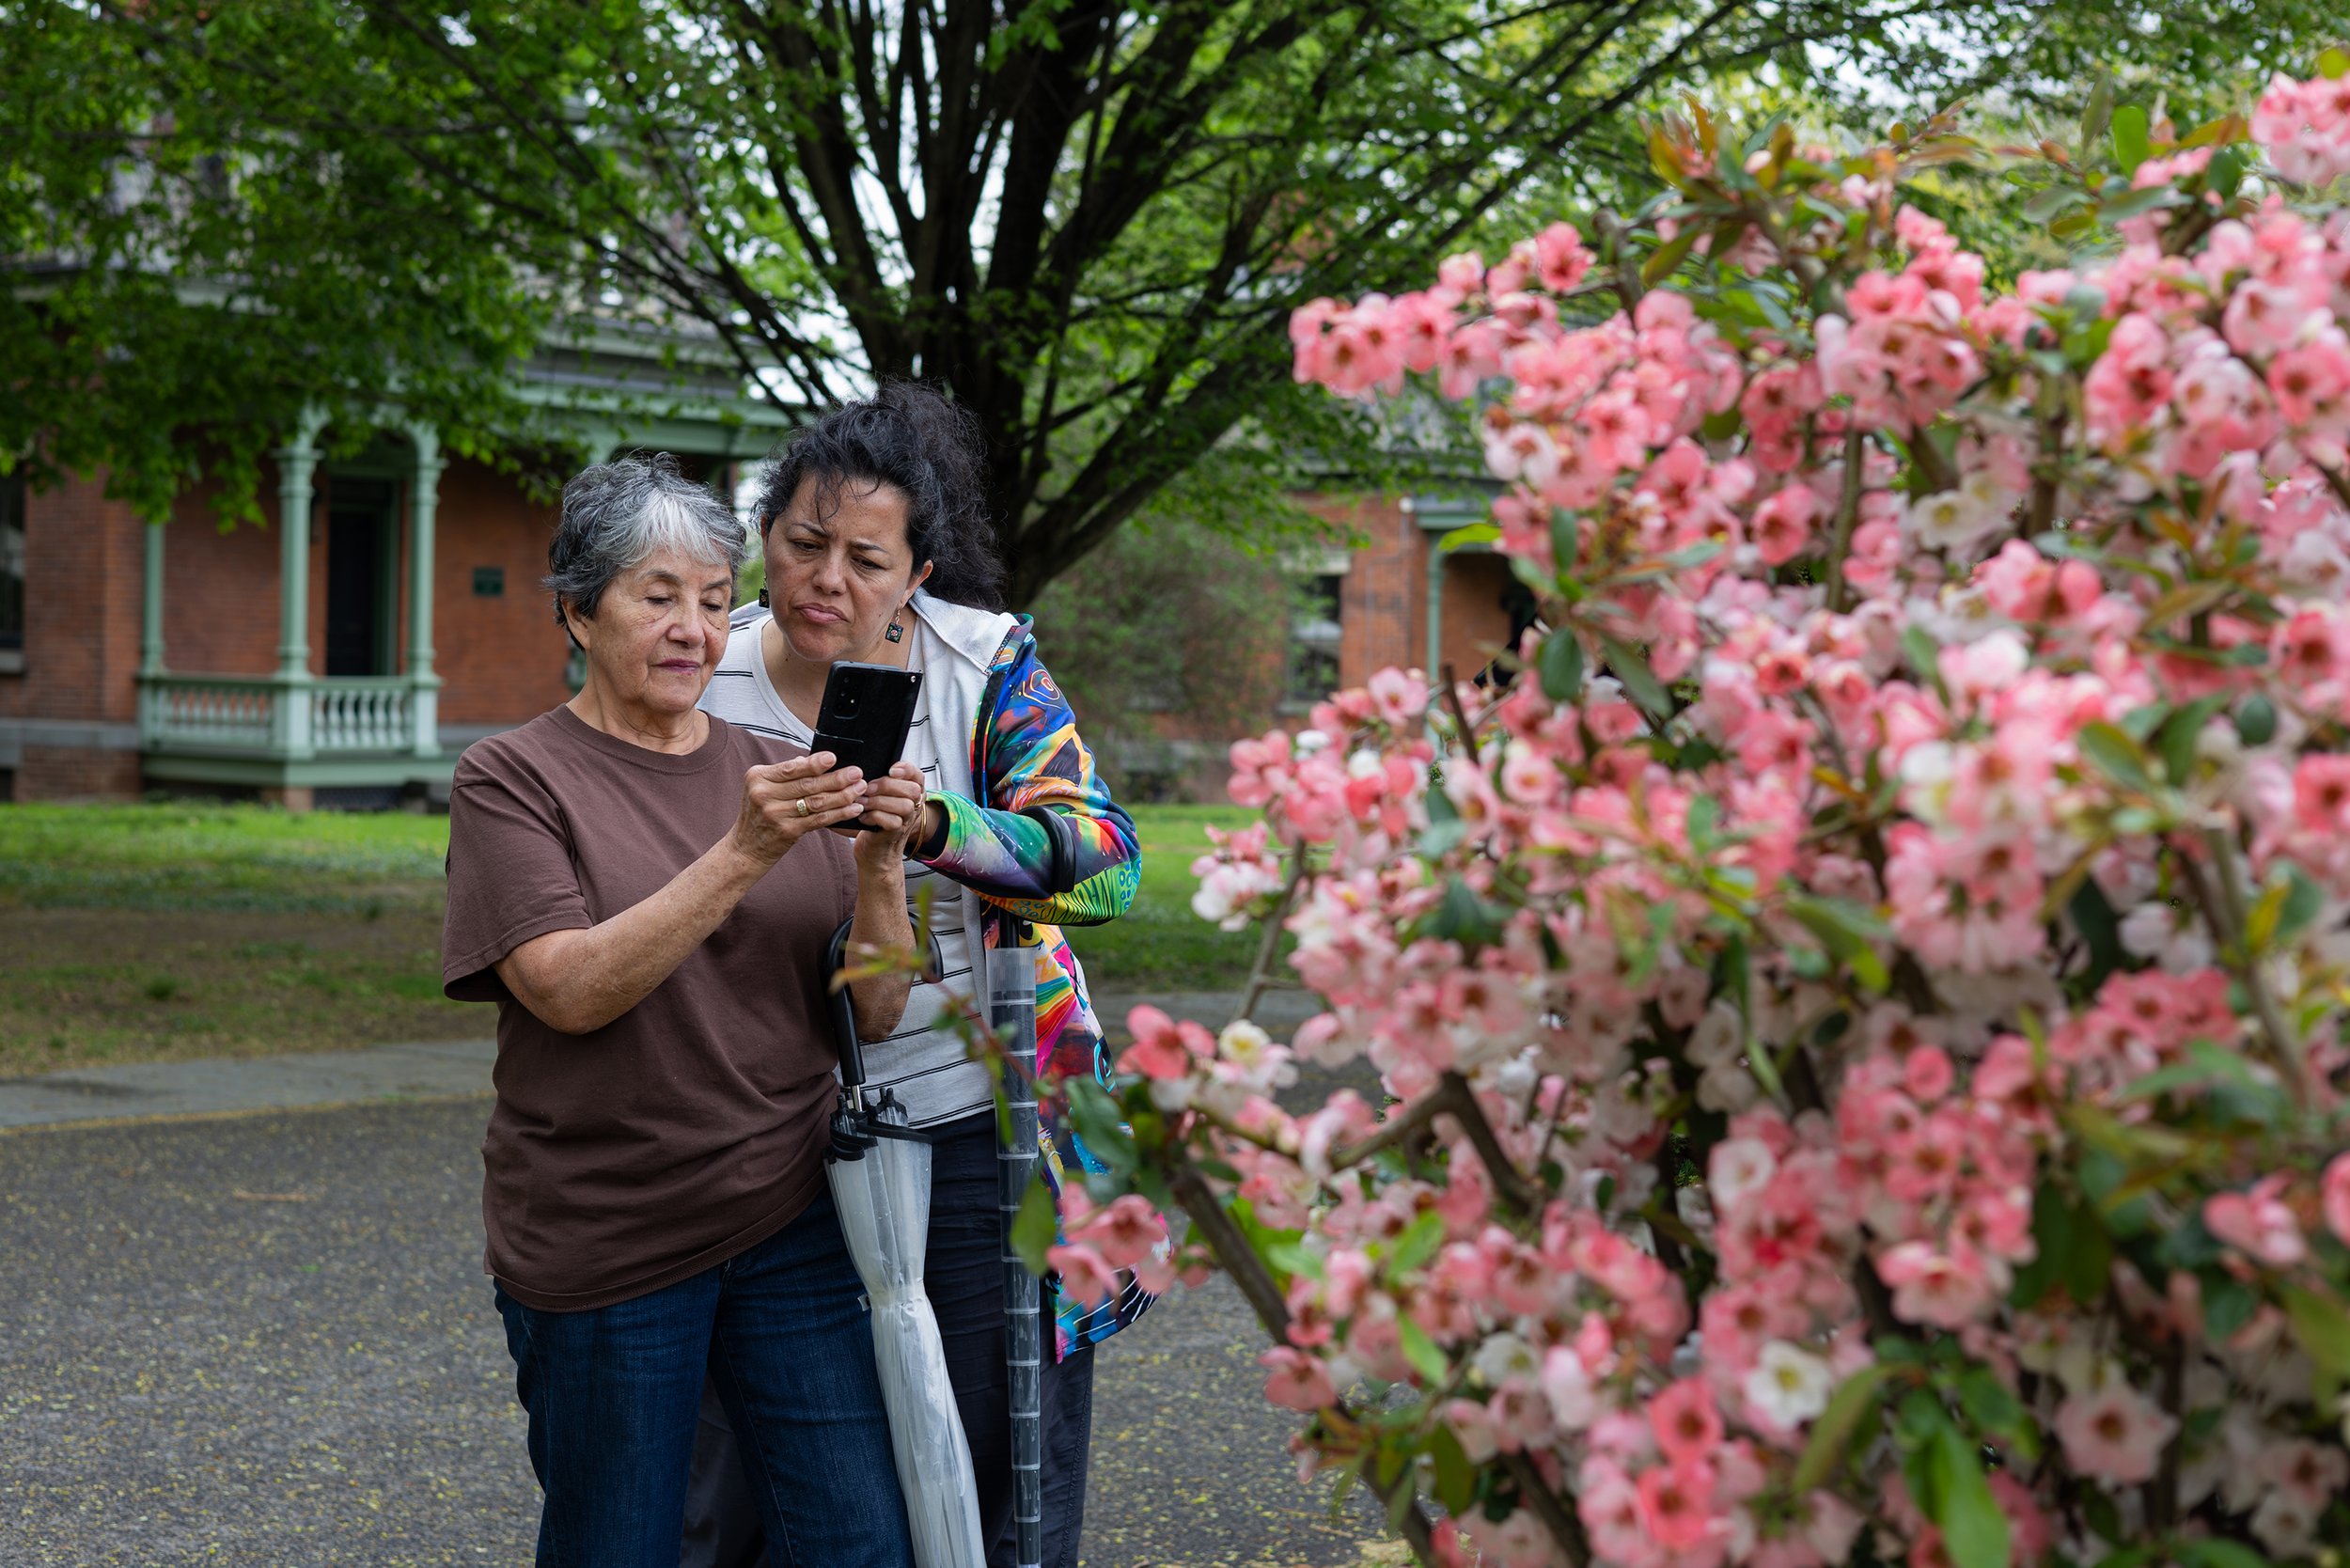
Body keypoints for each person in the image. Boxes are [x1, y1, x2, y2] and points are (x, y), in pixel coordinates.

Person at [441, 454, 929, 1568]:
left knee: (858, 1543)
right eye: (657, 597)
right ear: (577, 609)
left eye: (714, 601)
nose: (693, 631)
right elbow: (567, 990)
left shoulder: (776, 764)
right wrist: (747, 850)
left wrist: (883, 863)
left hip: (789, 1219)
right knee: (619, 1546)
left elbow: (883, 1007)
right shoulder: (512, 778)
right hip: (608, 1241)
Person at [687, 384, 1146, 1568]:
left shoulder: (984, 668)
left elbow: (1106, 866)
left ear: (919, 573)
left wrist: (943, 825)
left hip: (979, 1118)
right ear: (765, 534)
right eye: (802, 542)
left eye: (865, 558)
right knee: (767, 1465)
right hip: (772, 1120)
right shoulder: (705, 668)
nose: (825, 579)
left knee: (1005, 1461)